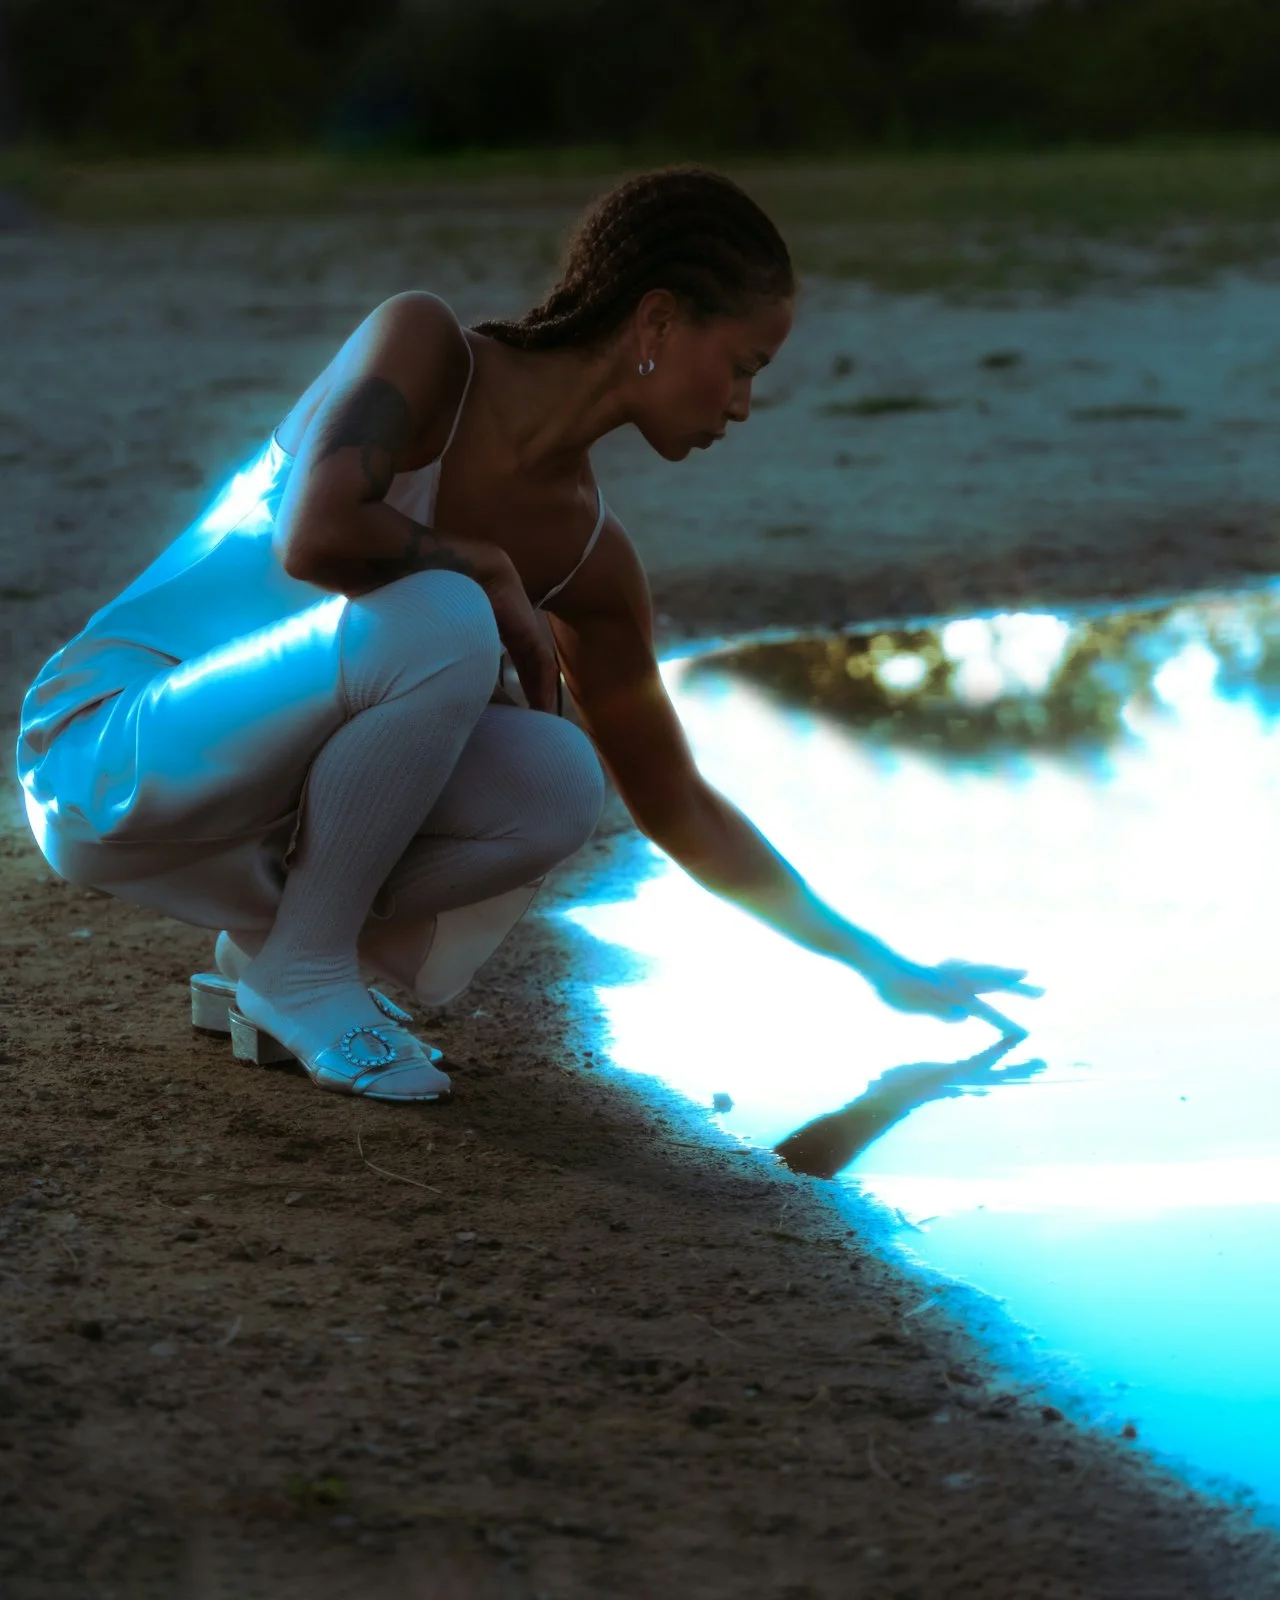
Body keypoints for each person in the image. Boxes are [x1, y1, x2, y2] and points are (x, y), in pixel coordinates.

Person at [13, 164, 1040, 1106]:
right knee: (446, 611)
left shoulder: (589, 555)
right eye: (740, 364)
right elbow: (315, 537)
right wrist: (489, 568)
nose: (742, 403)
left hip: (244, 811)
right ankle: (307, 971)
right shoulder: (426, 349)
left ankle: (277, 956)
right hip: (108, 744)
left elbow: (674, 801)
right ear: (656, 319)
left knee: (557, 777)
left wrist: (882, 966)